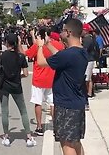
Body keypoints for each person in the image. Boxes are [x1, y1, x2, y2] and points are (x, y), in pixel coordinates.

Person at [36, 18, 88, 155]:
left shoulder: (68, 54)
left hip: (66, 105)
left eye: (63, 30)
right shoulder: (81, 52)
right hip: (77, 103)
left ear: (69, 32)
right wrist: (48, 44)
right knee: (75, 141)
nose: (61, 33)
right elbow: (61, 56)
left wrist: (40, 46)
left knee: (67, 144)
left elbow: (41, 62)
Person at [22, 27, 65, 136]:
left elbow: (26, 54)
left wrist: (19, 43)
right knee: (53, 103)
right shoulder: (59, 45)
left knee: (38, 102)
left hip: (39, 79)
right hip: (53, 78)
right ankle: (56, 127)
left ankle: (39, 126)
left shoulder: (37, 45)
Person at [0, 33, 36, 148]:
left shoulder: (1, 55)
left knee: (4, 111)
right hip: (16, 86)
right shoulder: (20, 56)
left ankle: (6, 136)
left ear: (7, 43)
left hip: (3, 85)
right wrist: (18, 77)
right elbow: (25, 73)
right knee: (23, 110)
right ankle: (28, 136)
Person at [82, 24, 99, 100]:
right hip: (90, 60)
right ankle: (89, 92)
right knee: (89, 78)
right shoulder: (88, 38)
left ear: (85, 31)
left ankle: (88, 94)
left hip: (89, 60)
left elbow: (84, 50)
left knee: (86, 78)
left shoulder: (87, 39)